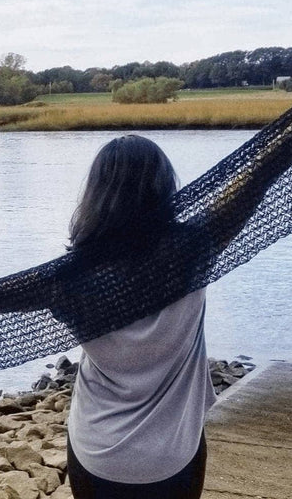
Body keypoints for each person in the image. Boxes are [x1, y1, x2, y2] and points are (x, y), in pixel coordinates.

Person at [65, 135, 213, 499]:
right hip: (174, 452)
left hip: (95, 450)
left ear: (95, 194)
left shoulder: (68, 277)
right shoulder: (193, 250)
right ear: (164, 188)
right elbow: (259, 180)